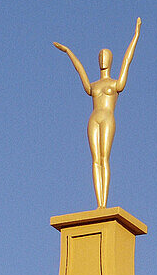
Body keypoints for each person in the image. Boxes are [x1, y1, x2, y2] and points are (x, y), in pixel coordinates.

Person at [54, 17, 141, 208]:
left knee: (104, 158)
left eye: (106, 55)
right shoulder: (93, 86)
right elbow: (79, 70)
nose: (102, 58)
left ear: (110, 60)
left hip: (108, 117)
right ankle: (99, 204)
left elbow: (127, 60)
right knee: (95, 160)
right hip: (94, 119)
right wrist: (68, 51)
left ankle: (104, 203)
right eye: (100, 56)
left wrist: (136, 35)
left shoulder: (115, 84)